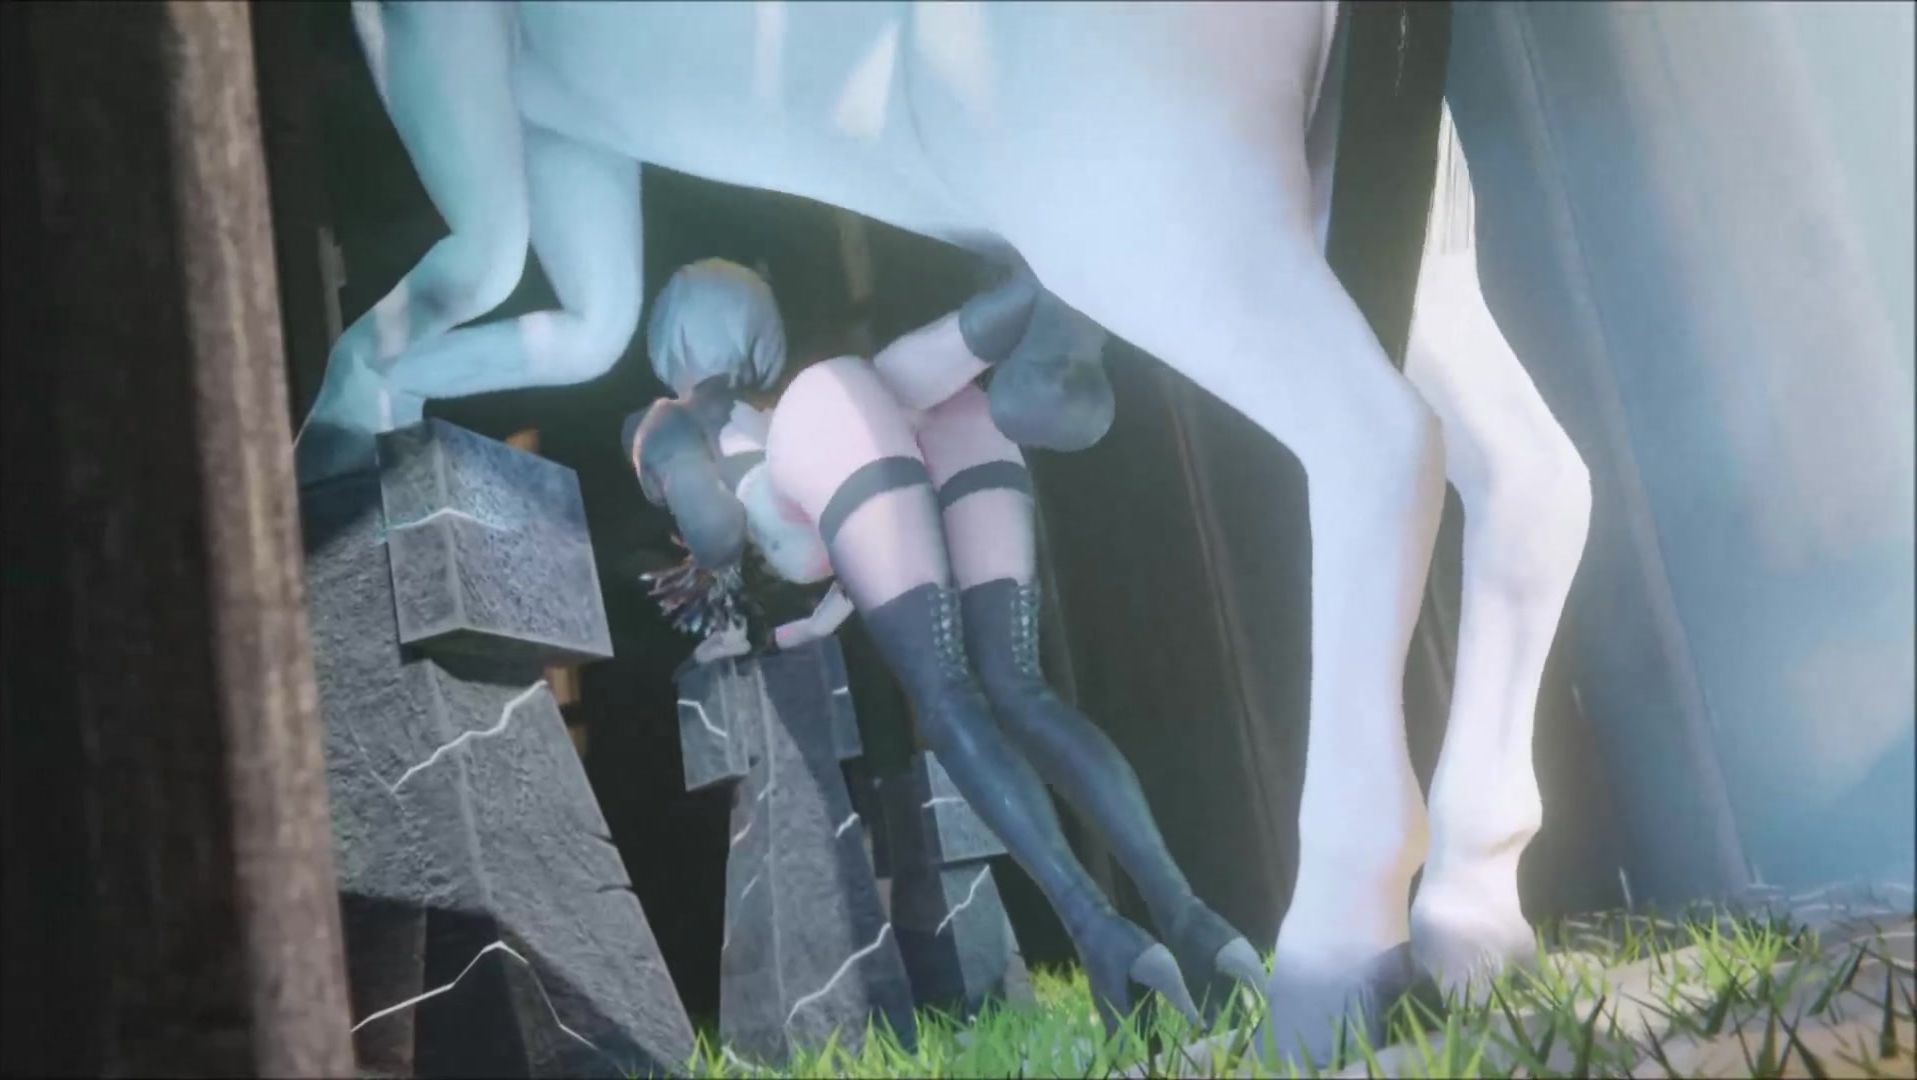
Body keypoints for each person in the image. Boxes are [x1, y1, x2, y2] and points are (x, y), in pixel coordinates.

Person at [625, 258, 1263, 1031]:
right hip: (933, 411)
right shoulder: (787, 404)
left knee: (946, 694)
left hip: (832, 430)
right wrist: (822, 619)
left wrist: (704, 543)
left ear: (671, 341)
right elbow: (858, 553)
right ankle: (1189, 917)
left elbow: (717, 530)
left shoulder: (673, 419)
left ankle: (1099, 928)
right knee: (1021, 688)